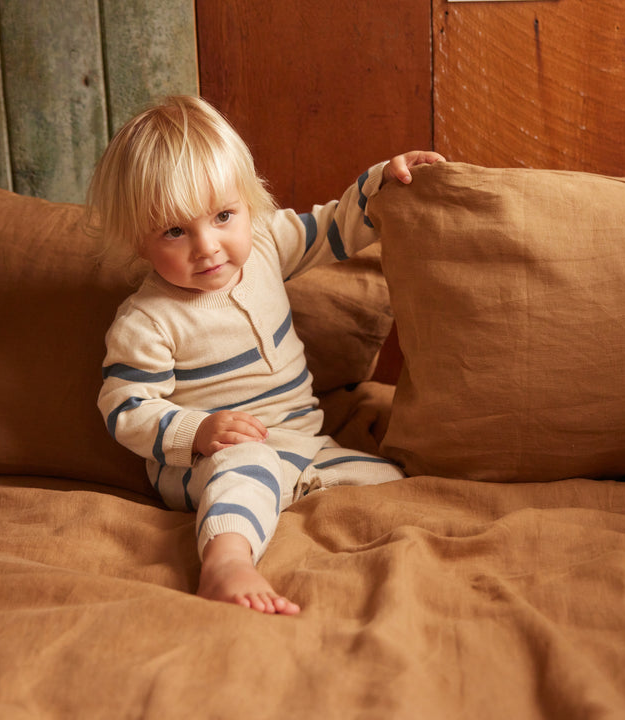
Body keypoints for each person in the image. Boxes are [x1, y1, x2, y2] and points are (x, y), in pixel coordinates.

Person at [86, 95, 443, 615]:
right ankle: (226, 563)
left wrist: (382, 184)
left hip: (302, 443)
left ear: (247, 204)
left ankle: (294, 494)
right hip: (204, 460)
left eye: (223, 215)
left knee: (389, 484)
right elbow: (125, 407)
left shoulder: (266, 244)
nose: (207, 246)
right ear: (140, 242)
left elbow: (338, 227)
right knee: (246, 464)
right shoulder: (148, 320)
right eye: (175, 231)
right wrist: (197, 431)